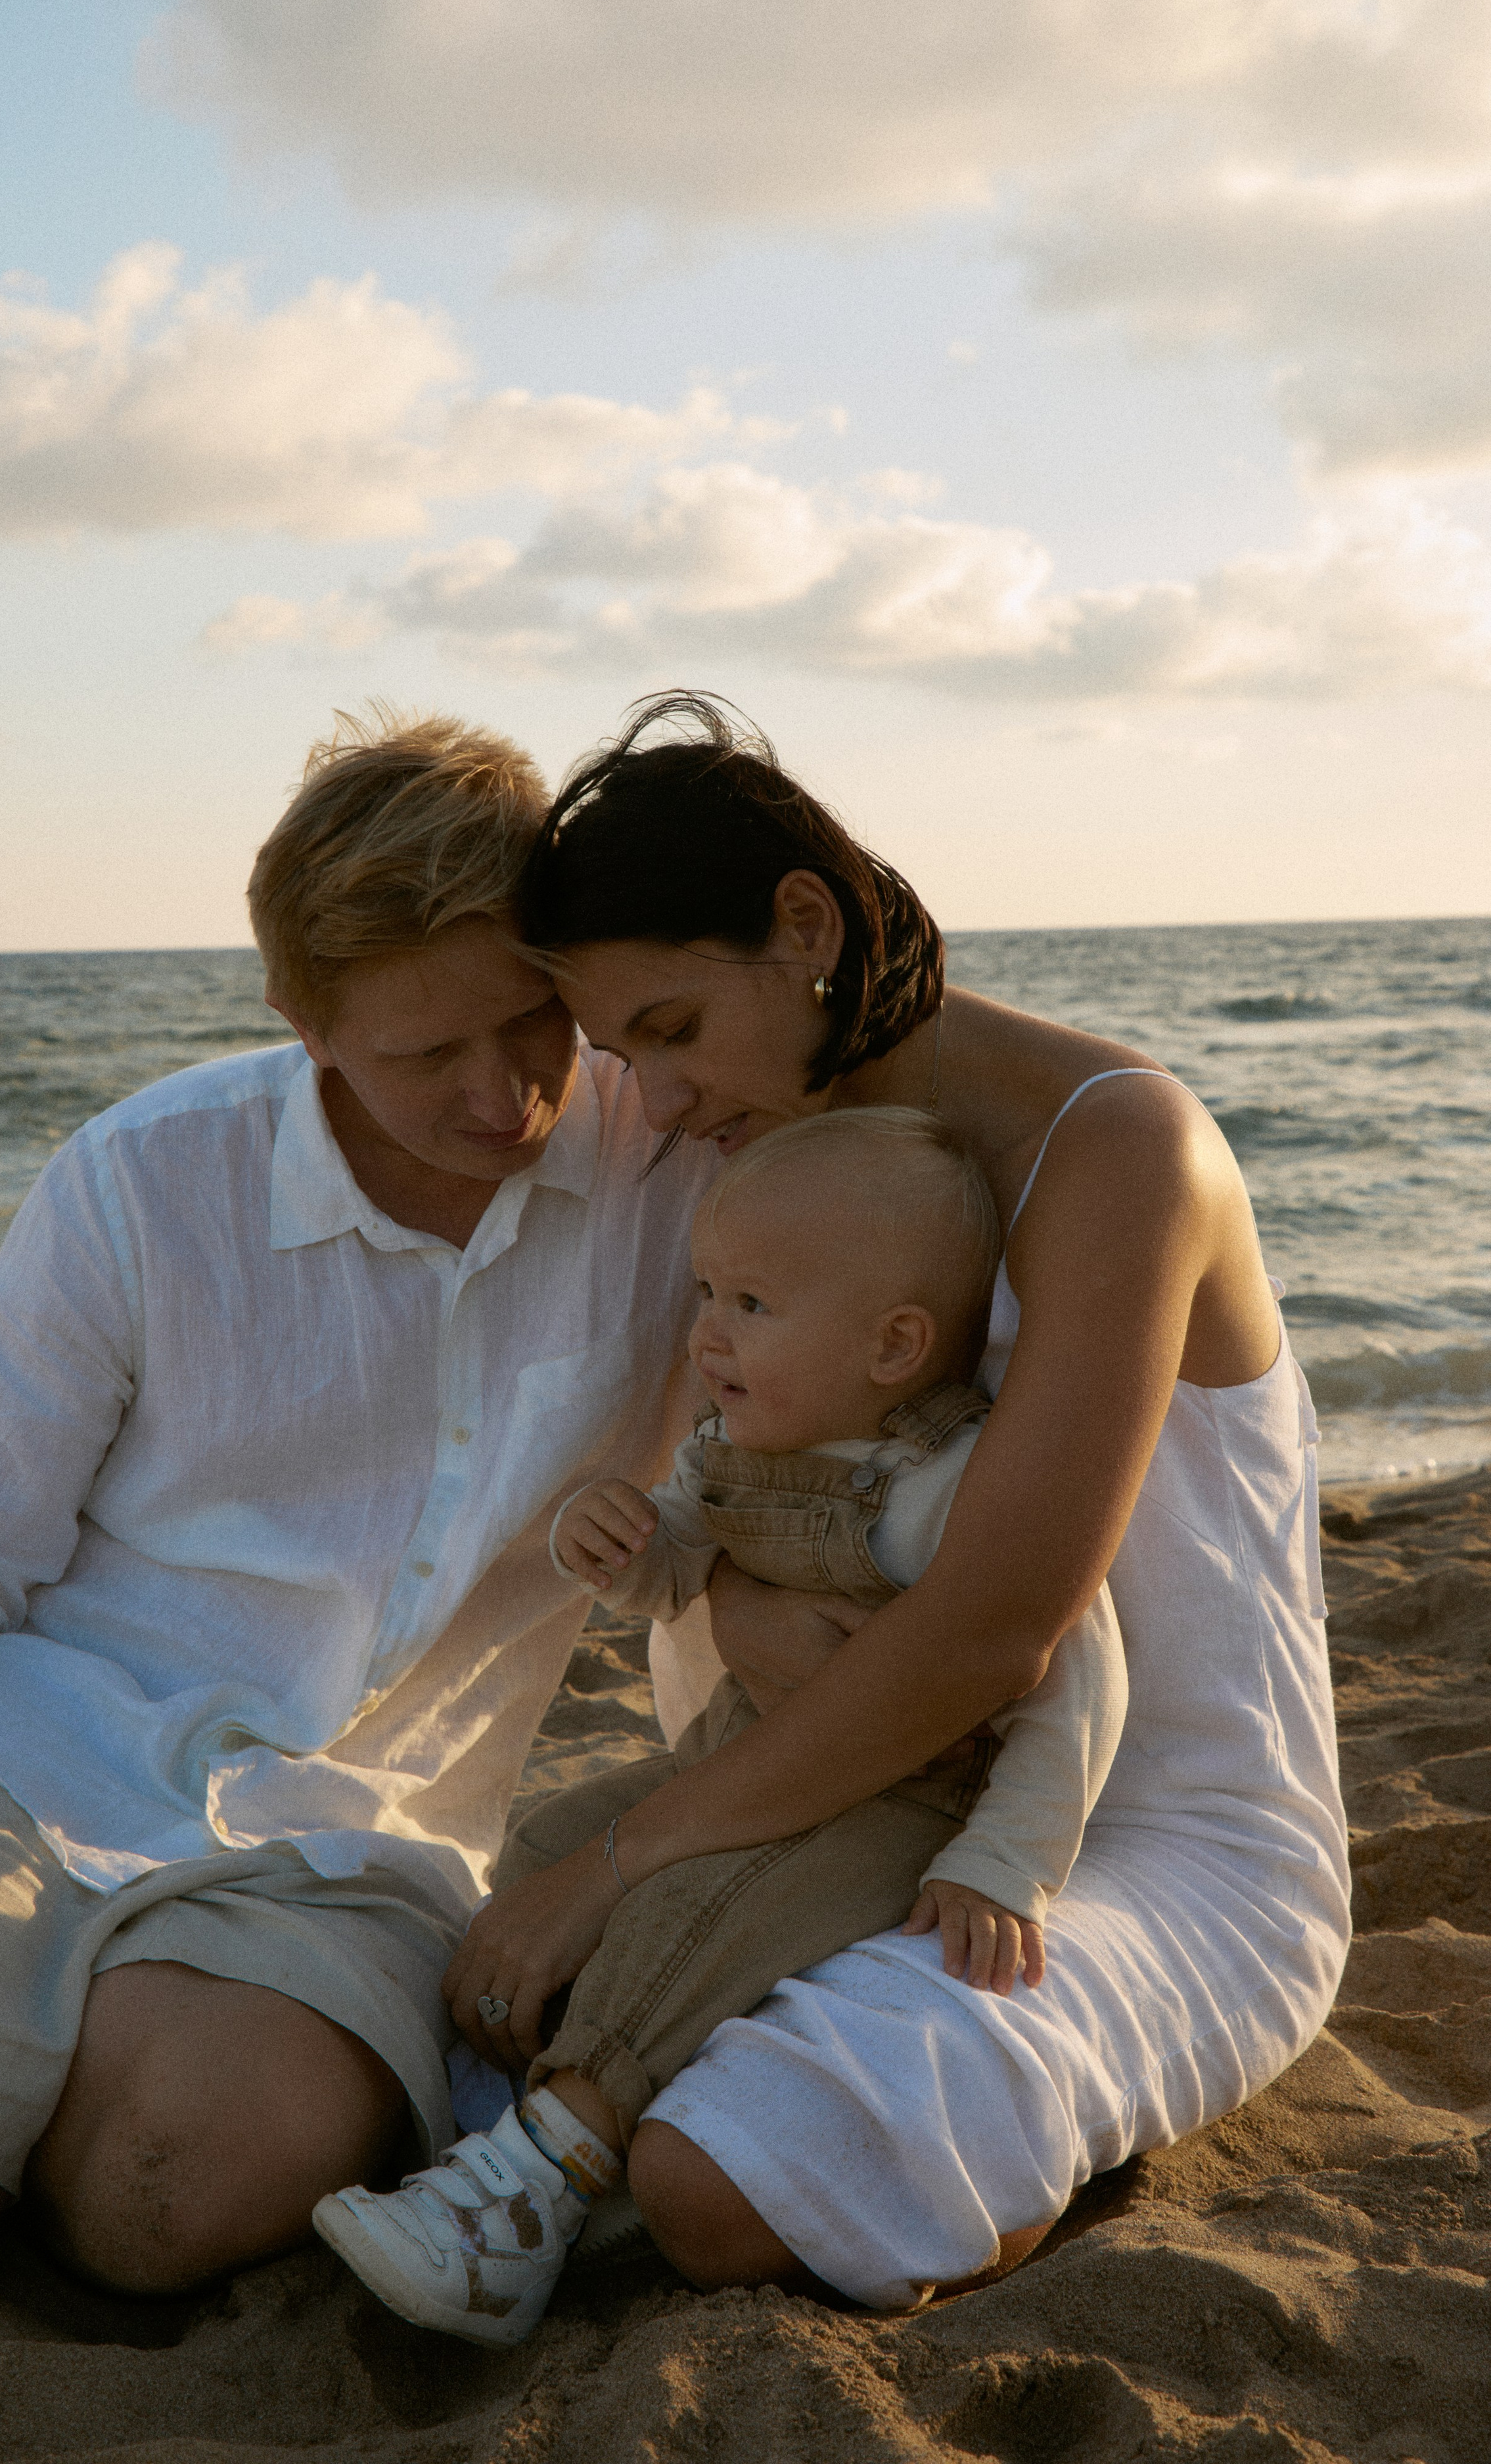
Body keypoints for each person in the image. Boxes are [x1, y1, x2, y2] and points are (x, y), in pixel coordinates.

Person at [438, 691, 1351, 2316]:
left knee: (719, 2174)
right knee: (444, 2008)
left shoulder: (1116, 1146)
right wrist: (714, 1600)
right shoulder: (775, 1152)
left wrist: (617, 1863)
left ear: (804, 927)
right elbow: (750, 1511)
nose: (646, 1102)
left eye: (666, 1029)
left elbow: (995, 1630)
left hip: (1132, 1844)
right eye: (611, 1054)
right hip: (832, 1807)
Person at [0, 710, 712, 2305]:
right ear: (300, 1018)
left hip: (363, 1835)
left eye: (531, 1024)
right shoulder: (145, 1178)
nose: (503, 1096)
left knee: (168, 2198)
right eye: (426, 1053)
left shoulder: (678, 1165)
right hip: (35, 1750)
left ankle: (50, 2086)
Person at [314, 1106, 1127, 2344]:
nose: (705, 1333)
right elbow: (676, 1562)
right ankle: (510, 2120)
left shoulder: (940, 1487)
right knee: (544, 1848)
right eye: (703, 1291)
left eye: (752, 1304)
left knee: (695, 1912)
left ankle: (527, 2200)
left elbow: (1078, 1681)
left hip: (903, 1808)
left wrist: (1003, 1862)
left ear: (895, 1345)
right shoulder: (734, 1451)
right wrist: (616, 1540)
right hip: (739, 1765)